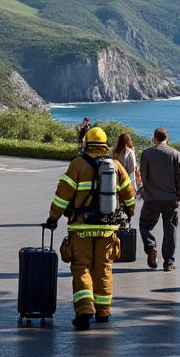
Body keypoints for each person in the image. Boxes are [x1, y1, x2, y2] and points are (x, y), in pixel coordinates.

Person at [44, 127, 136, 330]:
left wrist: (53, 218)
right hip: (107, 228)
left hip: (81, 227)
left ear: (86, 143)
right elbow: (129, 193)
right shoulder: (115, 165)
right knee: (103, 268)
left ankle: (85, 309)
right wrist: (129, 211)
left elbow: (62, 196)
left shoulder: (77, 164)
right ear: (104, 144)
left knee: (81, 267)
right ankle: (103, 312)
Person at [138, 128, 180, 271]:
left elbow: (144, 176)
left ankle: (150, 246)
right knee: (170, 229)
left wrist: (147, 192)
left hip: (152, 198)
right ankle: (168, 262)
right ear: (167, 138)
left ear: (154, 138)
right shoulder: (176, 154)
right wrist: (178, 196)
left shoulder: (146, 154)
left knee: (144, 225)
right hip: (171, 198)